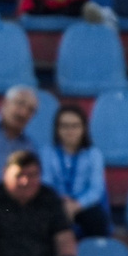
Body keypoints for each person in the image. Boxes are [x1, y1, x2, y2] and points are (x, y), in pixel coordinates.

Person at [42, 102, 111, 240]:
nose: (70, 131)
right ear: (57, 129)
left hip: (83, 204)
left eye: (75, 126)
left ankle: (95, 255)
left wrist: (76, 205)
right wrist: (61, 202)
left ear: (83, 128)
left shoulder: (93, 154)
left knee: (96, 218)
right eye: (64, 126)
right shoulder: (47, 152)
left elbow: (96, 189)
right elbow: (46, 183)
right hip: (56, 203)